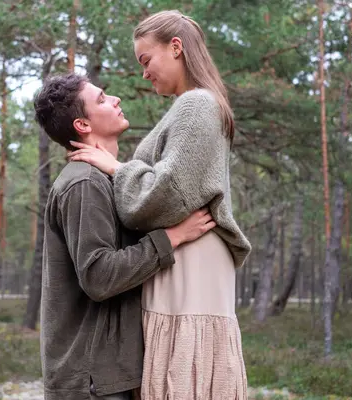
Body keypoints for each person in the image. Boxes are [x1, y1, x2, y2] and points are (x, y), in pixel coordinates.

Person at [69, 10, 252, 399]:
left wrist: (117, 168)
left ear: (176, 48)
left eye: (145, 60)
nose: (144, 73)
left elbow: (163, 196)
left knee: (184, 379)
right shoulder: (191, 105)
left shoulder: (197, 104)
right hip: (185, 254)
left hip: (191, 257)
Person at [34, 73, 217, 400]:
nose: (115, 99)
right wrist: (171, 238)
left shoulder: (102, 179)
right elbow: (99, 276)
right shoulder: (84, 183)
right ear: (83, 125)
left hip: (104, 375)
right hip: (91, 381)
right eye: (102, 99)